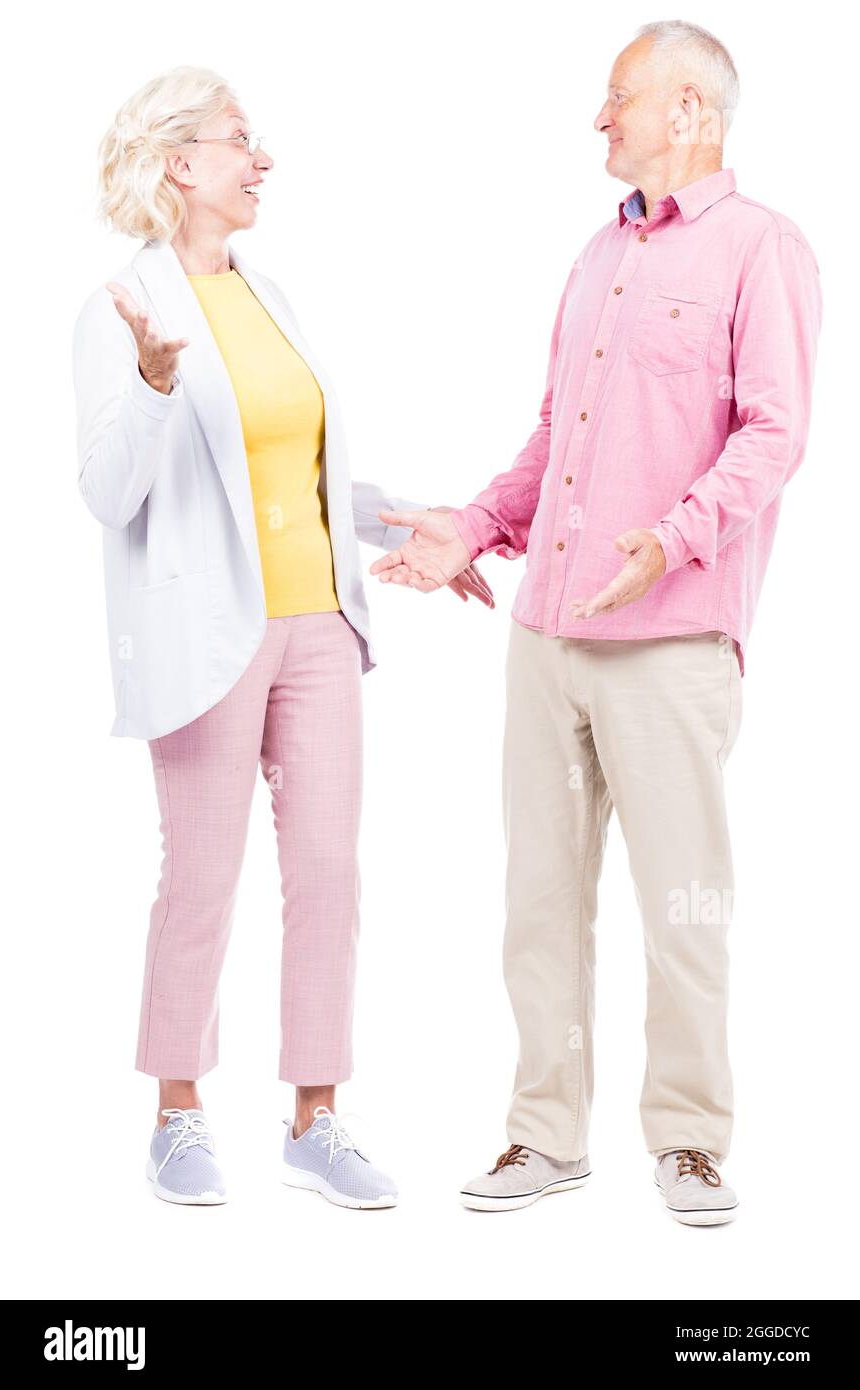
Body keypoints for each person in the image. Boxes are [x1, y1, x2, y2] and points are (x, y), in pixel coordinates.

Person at [369, 20, 822, 1224]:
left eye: (616, 99)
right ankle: (542, 1136)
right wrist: (470, 527)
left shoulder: (759, 249)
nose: (598, 119)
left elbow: (774, 434)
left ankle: (687, 1142)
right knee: (538, 903)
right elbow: (553, 440)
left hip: (669, 644)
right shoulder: (593, 256)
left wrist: (668, 541)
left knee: (681, 901)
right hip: (544, 640)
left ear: (689, 111)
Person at [72, 65, 493, 1209]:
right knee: (202, 874)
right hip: (209, 634)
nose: (262, 161)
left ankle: (315, 1116)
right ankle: (175, 1115)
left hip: (317, 622)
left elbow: (294, 469)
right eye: (240, 141)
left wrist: (406, 516)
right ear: (180, 164)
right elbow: (110, 493)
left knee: (326, 873)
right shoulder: (123, 308)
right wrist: (155, 385)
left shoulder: (269, 296)